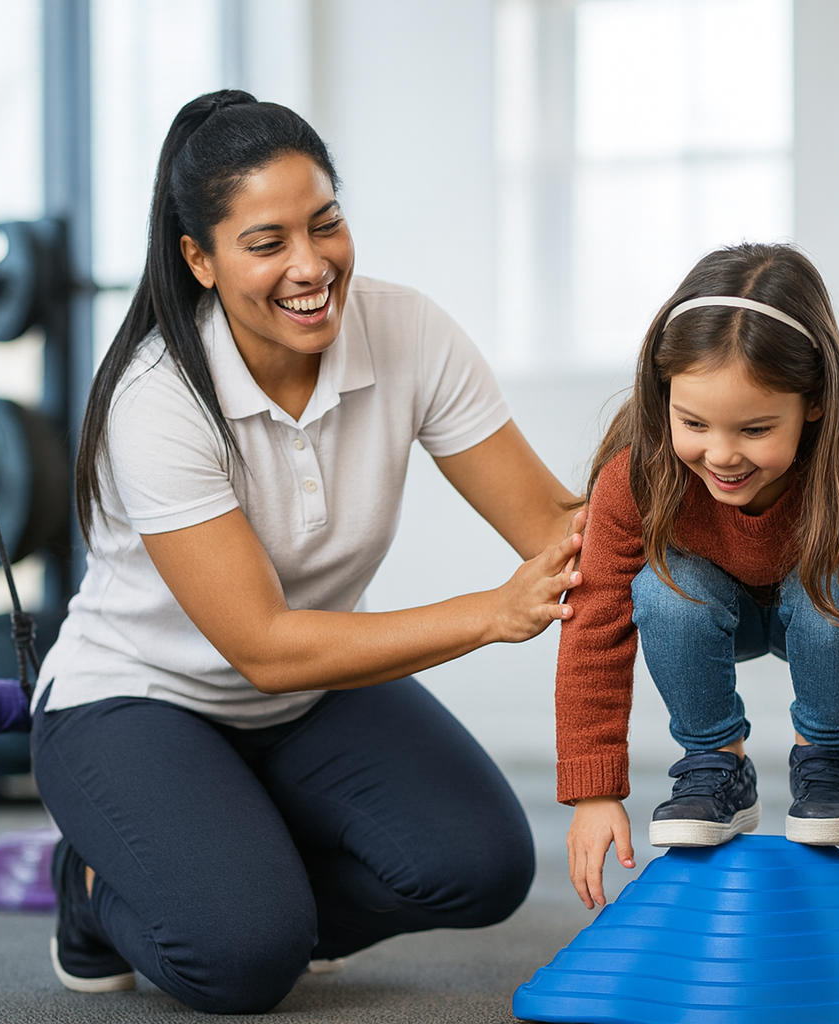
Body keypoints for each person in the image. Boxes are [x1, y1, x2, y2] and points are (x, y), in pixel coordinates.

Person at [31, 90, 584, 1015]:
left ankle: (245, 876)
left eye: (326, 223)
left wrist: (716, 474)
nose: (311, 264)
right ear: (199, 260)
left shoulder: (406, 331)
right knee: (243, 962)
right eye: (268, 242)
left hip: (307, 701)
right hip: (138, 698)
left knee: (481, 867)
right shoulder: (157, 397)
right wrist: (490, 614)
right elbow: (264, 644)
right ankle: (90, 893)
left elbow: (555, 529)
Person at [556, 242, 839, 914]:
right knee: (663, 588)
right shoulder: (637, 470)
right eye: (693, 423)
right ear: (664, 398)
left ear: (814, 402)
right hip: (710, 613)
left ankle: (829, 761)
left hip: (825, 611)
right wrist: (594, 790)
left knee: (836, 584)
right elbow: (594, 628)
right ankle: (715, 762)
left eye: (753, 429)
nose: (720, 455)